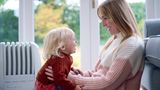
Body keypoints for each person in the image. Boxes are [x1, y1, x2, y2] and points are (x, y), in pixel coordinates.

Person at [45, 0, 144, 90]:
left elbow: (108, 83)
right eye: (102, 19)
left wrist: (70, 78)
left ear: (118, 16)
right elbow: (97, 72)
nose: (104, 24)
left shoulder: (131, 45)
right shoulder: (114, 39)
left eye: (105, 18)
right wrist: (79, 74)